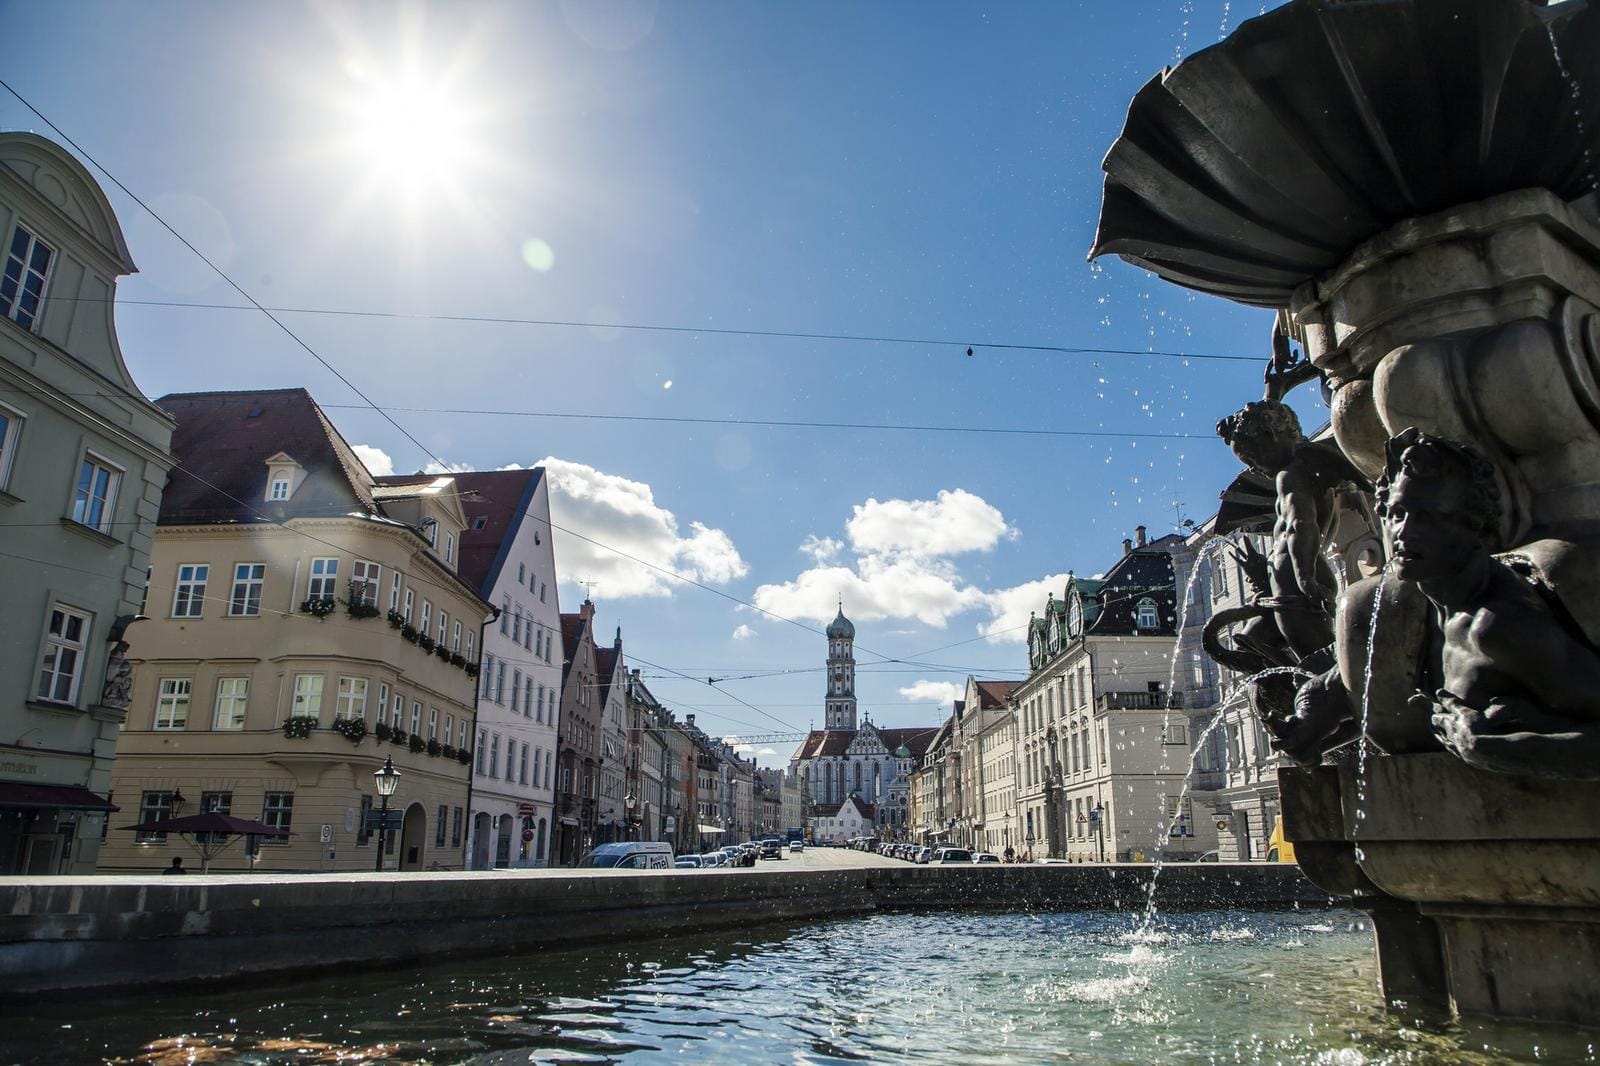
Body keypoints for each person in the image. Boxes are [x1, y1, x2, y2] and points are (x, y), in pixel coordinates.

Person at [1377, 429, 1600, 779]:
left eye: (1430, 517)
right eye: (1397, 513)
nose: (1403, 532)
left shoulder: (1501, 627)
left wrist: (1487, 750)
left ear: (1475, 526)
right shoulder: (1419, 610)